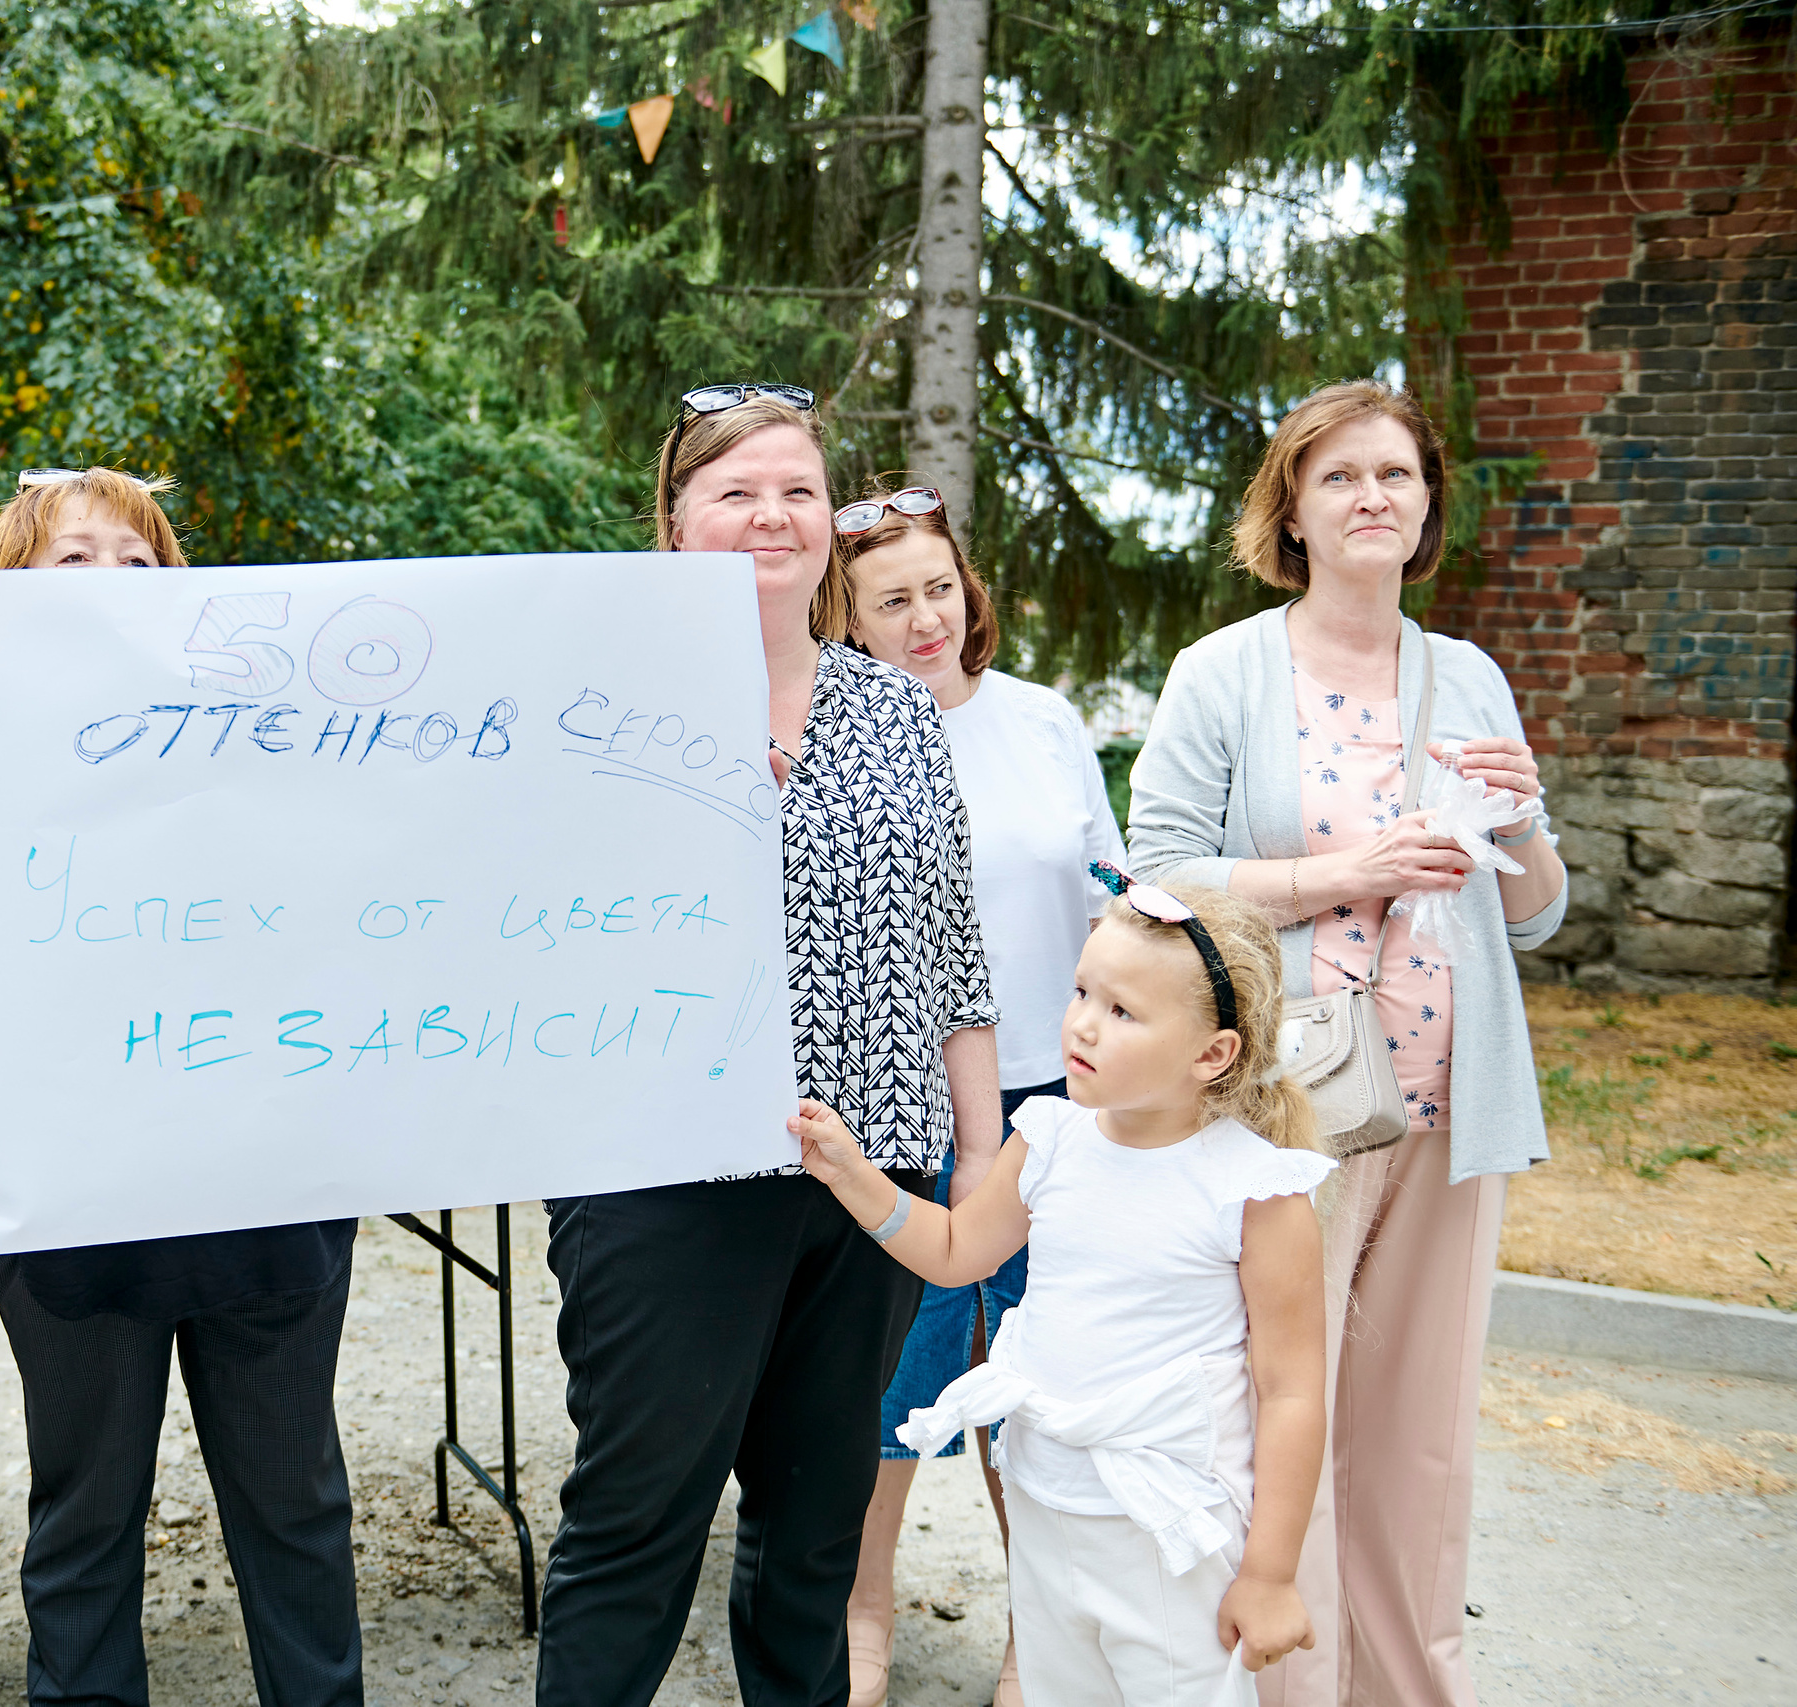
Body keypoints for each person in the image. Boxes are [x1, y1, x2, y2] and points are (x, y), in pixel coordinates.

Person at [532, 384, 1000, 1707]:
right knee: (635, 1529)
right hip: (662, 1180)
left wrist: (978, 1161)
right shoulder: (595, 714)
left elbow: (953, 945)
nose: (770, 515)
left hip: (875, 1184)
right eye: (735, 492)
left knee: (811, 1544)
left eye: (797, 489)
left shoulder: (899, 709)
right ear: (675, 525)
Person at [0, 467, 364, 1707]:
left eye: (138, 563)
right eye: (71, 562)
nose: (109, 585)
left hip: (271, 1211)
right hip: (74, 1229)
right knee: (84, 1517)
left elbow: (365, 947)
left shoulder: (287, 777)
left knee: (297, 1507)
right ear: (1, 601)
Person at [1126, 378, 1567, 1707]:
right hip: (1291, 1105)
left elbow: (1536, 914)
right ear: (1295, 512)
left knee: (1421, 1439)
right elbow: (1154, 875)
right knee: (1286, 1414)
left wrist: (1532, 824)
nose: (1374, 494)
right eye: (1341, 477)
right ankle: (1283, 1689)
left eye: (1397, 472)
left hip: (1452, 1103)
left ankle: (1412, 1686)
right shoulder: (1223, 671)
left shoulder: (1470, 672)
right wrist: (1342, 871)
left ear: (1426, 502)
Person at [791, 880, 1334, 1707]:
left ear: (1211, 1053)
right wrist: (856, 1177)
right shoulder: (1048, 1138)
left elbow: (1291, 1390)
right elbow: (953, 1250)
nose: (1082, 1022)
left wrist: (1270, 1572)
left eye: (1123, 1011)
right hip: (1044, 1503)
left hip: (1168, 1532)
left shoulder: (1257, 1191)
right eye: (1083, 990)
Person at [832, 488, 1124, 1707]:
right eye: (890, 600)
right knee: (894, 1381)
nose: (924, 619)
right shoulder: (838, 733)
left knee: (1039, 1381)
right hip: (901, 1107)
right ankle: (860, 1610)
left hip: (1059, 1101)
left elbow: (1114, 896)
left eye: (939, 588)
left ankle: (1032, 1640)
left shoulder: (1045, 721)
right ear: (843, 619)